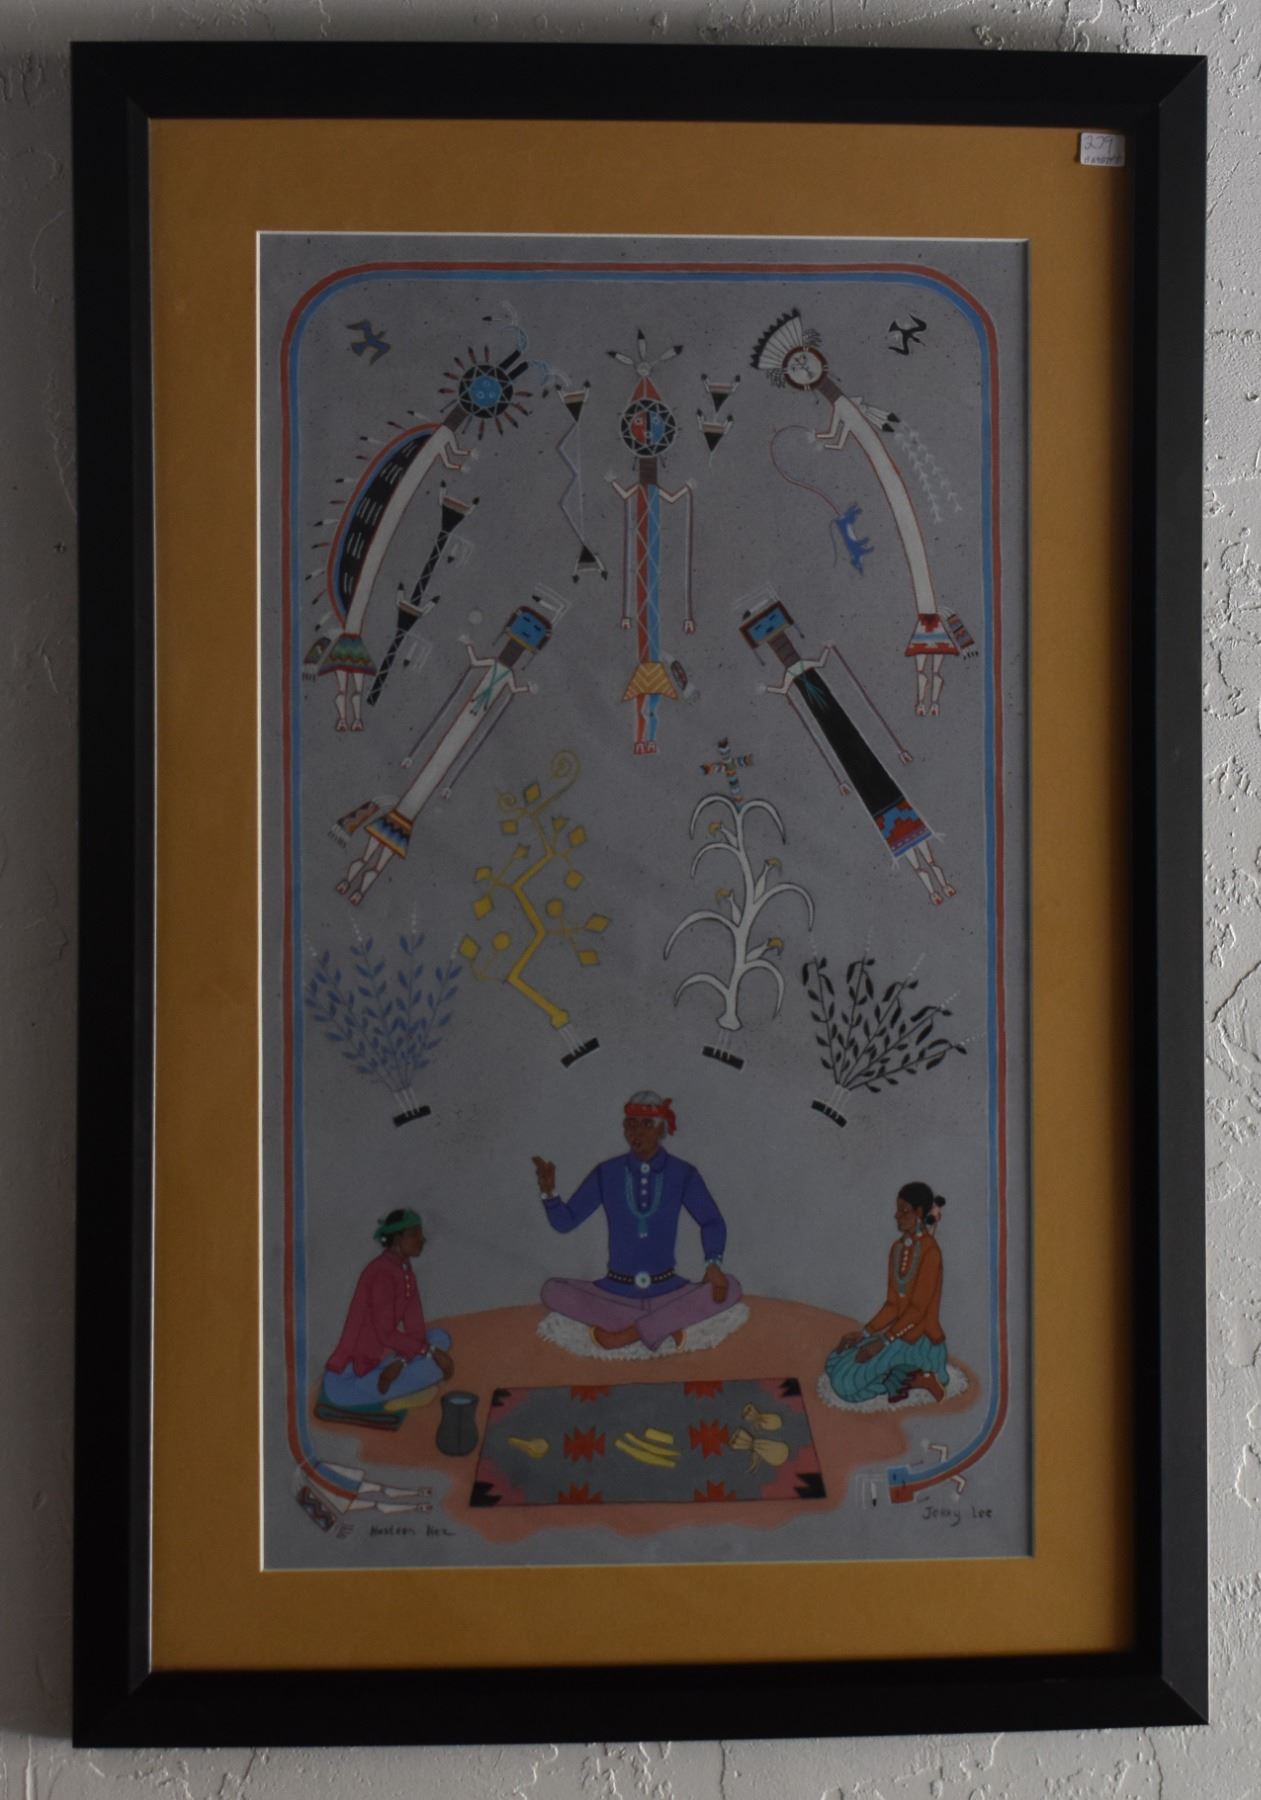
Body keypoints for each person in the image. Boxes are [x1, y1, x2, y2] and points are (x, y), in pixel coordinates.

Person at [533, 1090, 743, 1352]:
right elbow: (566, 1222)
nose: (637, 1132)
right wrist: (549, 1193)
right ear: (624, 1128)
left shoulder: (682, 1173)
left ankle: (626, 1334)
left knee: (731, 1286)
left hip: (669, 1289)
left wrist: (713, 1264)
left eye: (646, 1125)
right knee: (552, 1290)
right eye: (631, 1124)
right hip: (614, 1292)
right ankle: (664, 1325)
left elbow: (711, 1220)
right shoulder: (606, 1173)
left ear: (662, 1129)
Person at [319, 1208, 454, 1417]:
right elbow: (386, 1334)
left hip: (380, 1363)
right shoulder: (381, 1272)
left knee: (441, 1338)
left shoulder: (405, 1270)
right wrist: (431, 1353)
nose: (422, 1239)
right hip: (349, 1378)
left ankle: (400, 1379)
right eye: (414, 1234)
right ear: (397, 1239)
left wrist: (402, 1361)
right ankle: (398, 1393)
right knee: (434, 1365)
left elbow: (416, 1329)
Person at [825, 1182, 949, 1404]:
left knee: (843, 1384)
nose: (896, 1216)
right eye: (897, 1209)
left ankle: (918, 1377)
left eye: (904, 1210)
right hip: (895, 1336)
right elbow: (892, 1305)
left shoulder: (931, 1252)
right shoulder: (898, 1248)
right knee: (834, 1363)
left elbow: (918, 1311)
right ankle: (902, 1377)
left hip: (919, 1340)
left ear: (919, 1212)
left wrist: (882, 1342)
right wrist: (864, 1334)